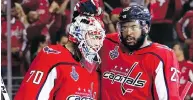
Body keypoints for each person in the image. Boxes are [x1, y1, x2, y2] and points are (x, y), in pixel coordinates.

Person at [14, 14, 106, 99]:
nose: (97, 43)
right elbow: (30, 94)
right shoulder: (53, 57)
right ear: (78, 35)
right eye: (92, 37)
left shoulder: (96, 70)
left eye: (99, 37)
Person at [99, 5, 181, 100]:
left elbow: (167, 97)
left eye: (133, 27)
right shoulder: (108, 42)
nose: (128, 32)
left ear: (146, 28)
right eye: (124, 27)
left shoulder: (161, 55)